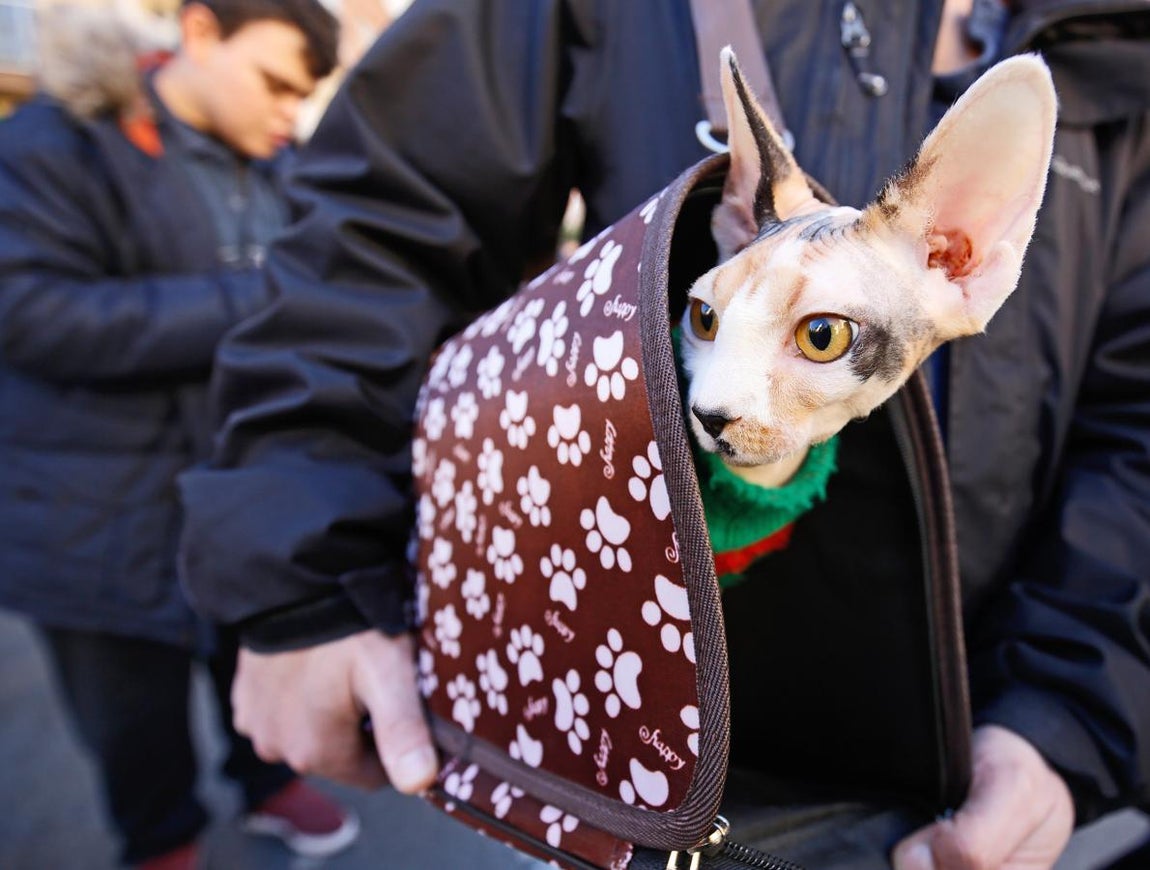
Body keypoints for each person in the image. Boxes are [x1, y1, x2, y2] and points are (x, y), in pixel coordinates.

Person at [177, 0, 1150, 867]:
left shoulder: (1119, 45)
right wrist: (305, 573)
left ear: (961, 255)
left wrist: (1068, 719)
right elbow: (381, 219)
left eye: (820, 334)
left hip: (957, 755)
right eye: (706, 319)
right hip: (622, 737)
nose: (717, 396)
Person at [0, 2, 361, 867]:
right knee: (130, 714)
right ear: (199, 30)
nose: (286, 113)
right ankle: (160, 839)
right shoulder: (60, 142)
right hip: (93, 509)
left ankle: (265, 784)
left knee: (253, 660)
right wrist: (256, 298)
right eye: (274, 84)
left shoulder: (285, 168)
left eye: (300, 96)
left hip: (243, 496)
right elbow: (32, 313)